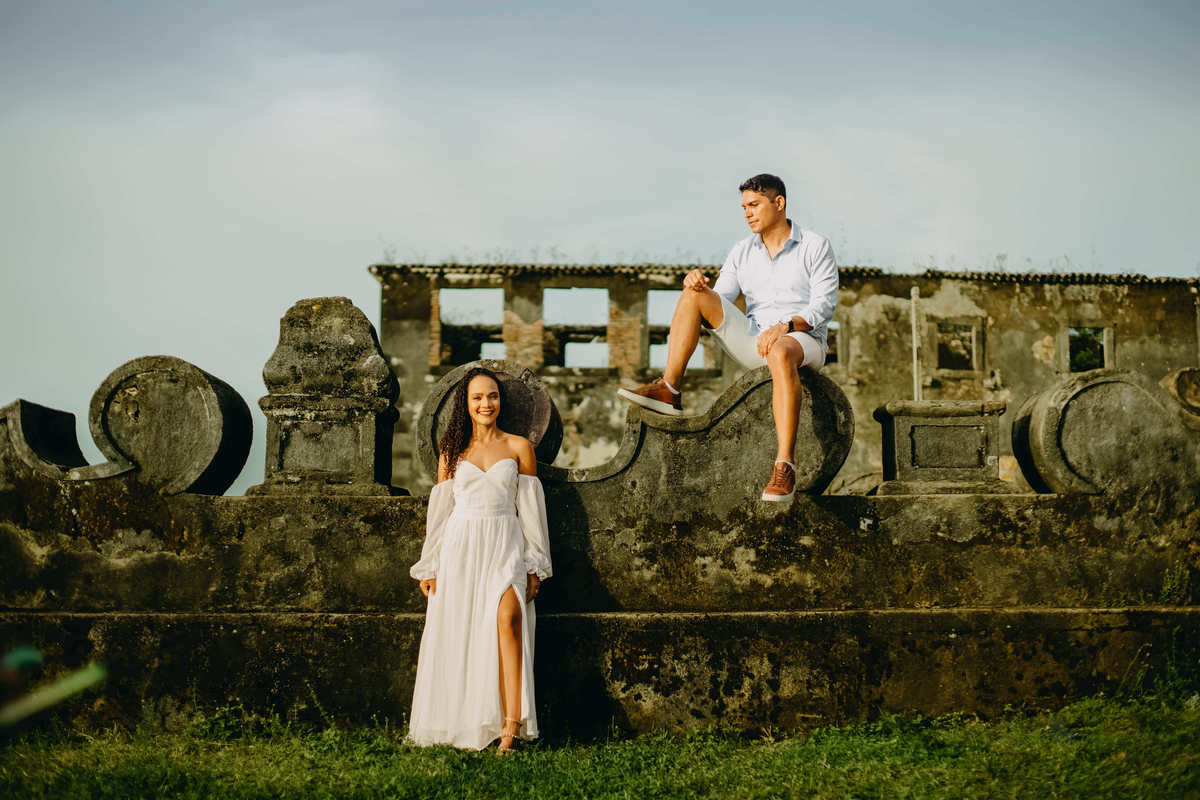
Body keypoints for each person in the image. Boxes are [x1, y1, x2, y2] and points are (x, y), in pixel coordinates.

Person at [617, 173, 838, 502]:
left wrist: (784, 327)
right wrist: (697, 286)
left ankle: (784, 467)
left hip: (802, 340)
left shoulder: (814, 245)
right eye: (743, 207)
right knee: (695, 295)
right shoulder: (742, 251)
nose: (747, 213)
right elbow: (720, 299)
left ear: (779, 203)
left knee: (779, 350)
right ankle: (670, 389)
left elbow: (824, 305)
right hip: (754, 339)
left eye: (754, 205)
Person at [407, 367, 553, 753]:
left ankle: (511, 726)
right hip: (460, 548)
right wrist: (431, 564)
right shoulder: (453, 453)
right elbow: (439, 516)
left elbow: (532, 512)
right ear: (465, 405)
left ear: (500, 401)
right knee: (462, 632)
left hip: (504, 543)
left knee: (509, 619)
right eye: (477, 398)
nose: (486, 404)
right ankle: (468, 720)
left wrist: (535, 563)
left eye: (492, 396)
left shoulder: (519, 447)